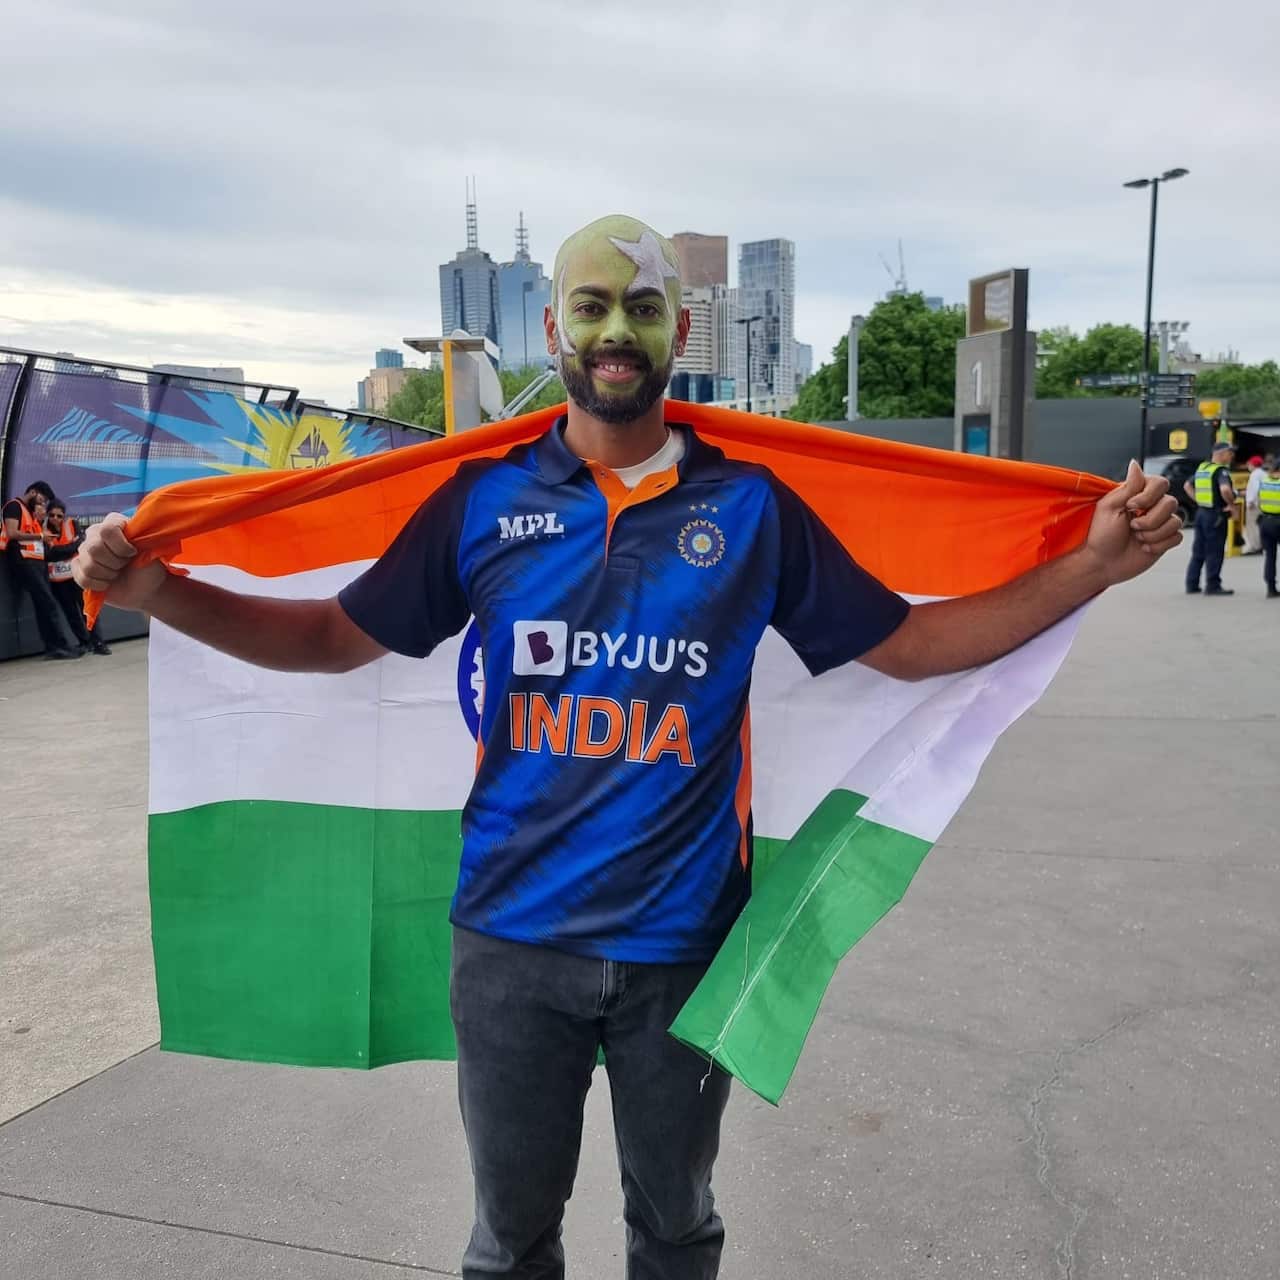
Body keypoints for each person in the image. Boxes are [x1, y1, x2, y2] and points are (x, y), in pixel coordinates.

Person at [75, 214, 1183, 1280]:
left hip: (682, 949)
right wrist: (158, 589)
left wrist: (1087, 567)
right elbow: (328, 636)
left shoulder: (751, 508)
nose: (616, 331)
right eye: (591, 305)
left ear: (678, 336)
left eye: (641, 308)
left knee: (675, 1223)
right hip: (509, 946)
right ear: (552, 331)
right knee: (507, 1243)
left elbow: (909, 642)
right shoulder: (483, 501)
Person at [2, 479, 79, 659]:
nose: (42, 504)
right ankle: (60, 646)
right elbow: (12, 533)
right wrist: (39, 536)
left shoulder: (29, 512)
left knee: (44, 604)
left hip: (37, 562)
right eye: (41, 500)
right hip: (24, 561)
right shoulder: (14, 506)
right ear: (33, 492)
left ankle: (55, 647)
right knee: (48, 603)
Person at [44, 499, 112, 655]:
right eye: (52, 515)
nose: (55, 519)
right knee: (71, 613)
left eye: (59, 516)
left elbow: (79, 545)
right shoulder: (43, 529)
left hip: (76, 576)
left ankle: (99, 643)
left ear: (64, 516)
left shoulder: (72, 524)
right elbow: (48, 554)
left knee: (87, 610)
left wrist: (59, 550)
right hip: (58, 580)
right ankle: (84, 642)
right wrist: (67, 549)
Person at [1183, 440, 1238, 596]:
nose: (1232, 455)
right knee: (1215, 550)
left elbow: (1187, 486)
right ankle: (1213, 585)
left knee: (1198, 549)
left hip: (1202, 513)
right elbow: (1225, 490)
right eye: (1229, 452)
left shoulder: (1203, 468)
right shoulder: (1221, 471)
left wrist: (1198, 500)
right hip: (1216, 515)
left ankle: (1191, 584)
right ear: (1221, 454)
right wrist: (1231, 503)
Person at [1257, 455, 1280, 599]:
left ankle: (1270, 588)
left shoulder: (1264, 481)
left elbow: (1259, 501)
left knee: (1270, 557)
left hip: (1265, 521)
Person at [1244, 454, 1266, 554]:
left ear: (1253, 464)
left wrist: (1251, 501)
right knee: (1259, 525)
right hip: (1262, 504)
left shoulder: (1254, 475)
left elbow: (1256, 488)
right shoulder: (1263, 473)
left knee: (1252, 525)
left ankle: (1255, 546)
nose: (1248, 466)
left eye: (1249, 464)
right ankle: (1260, 545)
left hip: (1254, 504)